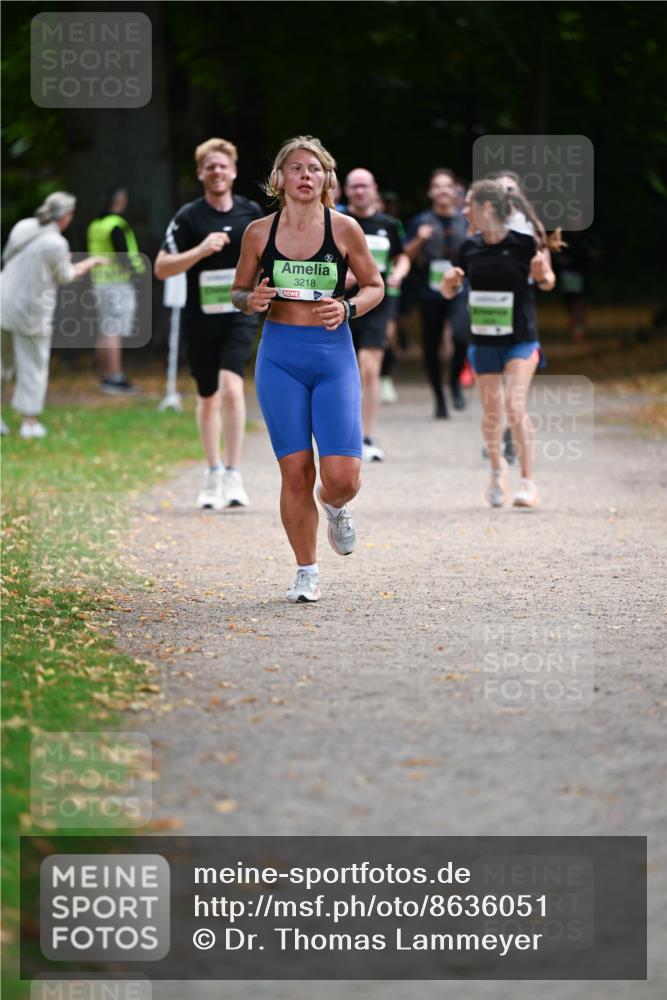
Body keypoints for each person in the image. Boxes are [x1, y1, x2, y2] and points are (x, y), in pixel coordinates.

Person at [231, 135, 384, 604]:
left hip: (332, 355)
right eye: (295, 168)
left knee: (341, 476)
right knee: (295, 471)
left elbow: (375, 285)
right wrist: (250, 300)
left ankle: (336, 505)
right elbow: (238, 292)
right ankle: (306, 570)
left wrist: (349, 309)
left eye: (314, 169)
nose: (305, 176)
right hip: (280, 356)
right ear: (279, 178)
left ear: (327, 179)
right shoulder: (259, 232)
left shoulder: (345, 230)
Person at [154, 138, 262, 509]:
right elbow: (161, 267)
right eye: (210, 166)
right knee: (207, 395)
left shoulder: (251, 214)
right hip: (200, 317)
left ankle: (233, 473)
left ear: (233, 171)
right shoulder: (189, 217)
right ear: (201, 173)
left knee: (232, 387)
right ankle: (212, 471)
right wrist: (200, 250)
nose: (217, 172)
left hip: (239, 313)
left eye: (223, 166)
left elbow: (271, 256)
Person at [443, 180, 556, 509]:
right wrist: (449, 284)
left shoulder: (523, 244)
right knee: (492, 412)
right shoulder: (468, 246)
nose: (464, 211)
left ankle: (528, 483)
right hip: (483, 340)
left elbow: (547, 281)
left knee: (514, 406)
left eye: (469, 205)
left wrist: (542, 273)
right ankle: (496, 470)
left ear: (487, 208)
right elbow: (449, 291)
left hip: (521, 338)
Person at [0, 192, 108, 438]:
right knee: (33, 365)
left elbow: (6, 257)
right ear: (65, 216)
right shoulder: (56, 243)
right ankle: (29, 422)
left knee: (1, 363)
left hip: (3, 300)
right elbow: (65, 276)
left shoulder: (23, 226)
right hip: (30, 311)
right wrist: (88, 264)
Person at [343, 169, 410, 461]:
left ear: (374, 189)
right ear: (346, 190)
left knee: (369, 367)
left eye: (364, 186)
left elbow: (402, 255)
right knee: (344, 371)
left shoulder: (388, 224)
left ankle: (367, 436)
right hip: (341, 304)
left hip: (377, 302)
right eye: (354, 187)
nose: (359, 191)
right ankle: (345, 434)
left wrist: (400, 274)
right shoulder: (337, 221)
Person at [404, 168, 470, 417]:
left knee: (461, 337)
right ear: (431, 192)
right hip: (430, 291)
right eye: (437, 186)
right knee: (431, 346)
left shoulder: (466, 220)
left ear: (455, 190)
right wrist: (420, 239)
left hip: (460, 288)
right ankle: (439, 398)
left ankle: (454, 382)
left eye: (447, 186)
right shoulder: (421, 221)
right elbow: (406, 256)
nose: (443, 190)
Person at [87, 187, 145, 395]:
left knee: (105, 329)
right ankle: (115, 377)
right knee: (114, 330)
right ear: (120, 201)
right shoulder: (116, 225)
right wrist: (136, 274)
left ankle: (106, 375)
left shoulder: (95, 225)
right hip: (117, 283)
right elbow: (123, 254)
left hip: (99, 282)